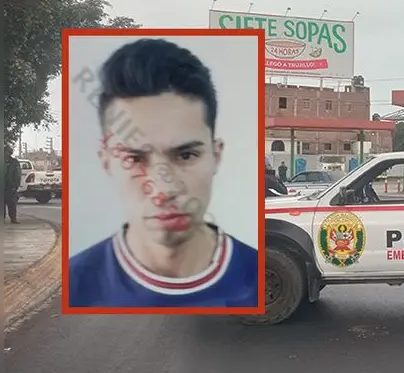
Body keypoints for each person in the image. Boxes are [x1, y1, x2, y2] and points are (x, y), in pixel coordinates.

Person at [68, 38, 259, 308]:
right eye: (135, 158)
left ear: (216, 156)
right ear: (106, 160)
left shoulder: (258, 276)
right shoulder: (76, 285)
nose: (164, 189)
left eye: (185, 155)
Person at [4, 145, 21, 223]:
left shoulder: (14, 162)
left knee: (12, 204)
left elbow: (18, 174)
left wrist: (16, 185)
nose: (7, 153)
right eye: (5, 152)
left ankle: (13, 219)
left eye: (8, 152)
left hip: (11, 186)